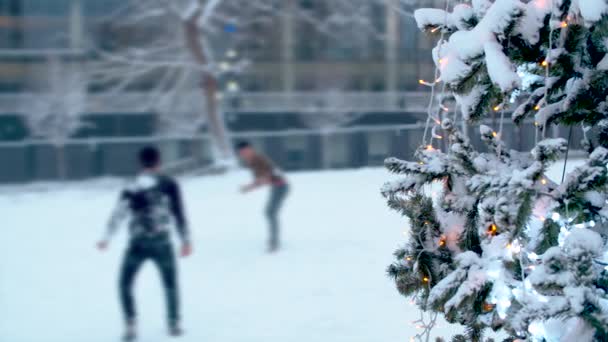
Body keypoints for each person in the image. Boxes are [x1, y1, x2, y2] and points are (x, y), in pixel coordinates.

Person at [97, 146, 192, 341]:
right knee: (170, 284)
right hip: (162, 241)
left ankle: (130, 324)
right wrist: (185, 240)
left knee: (125, 284)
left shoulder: (132, 186)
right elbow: (179, 213)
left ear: (140, 163)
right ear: (159, 162)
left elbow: (119, 213)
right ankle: (173, 324)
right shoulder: (170, 184)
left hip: (137, 243)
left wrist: (106, 237)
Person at [237, 141, 289, 253]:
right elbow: (261, 180)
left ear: (250, 149)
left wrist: (250, 186)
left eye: (245, 151)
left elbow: (268, 176)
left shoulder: (258, 158)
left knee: (270, 213)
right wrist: (250, 187)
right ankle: (273, 240)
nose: (244, 154)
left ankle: (274, 242)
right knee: (269, 213)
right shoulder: (251, 162)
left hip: (281, 186)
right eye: (241, 153)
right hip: (276, 186)